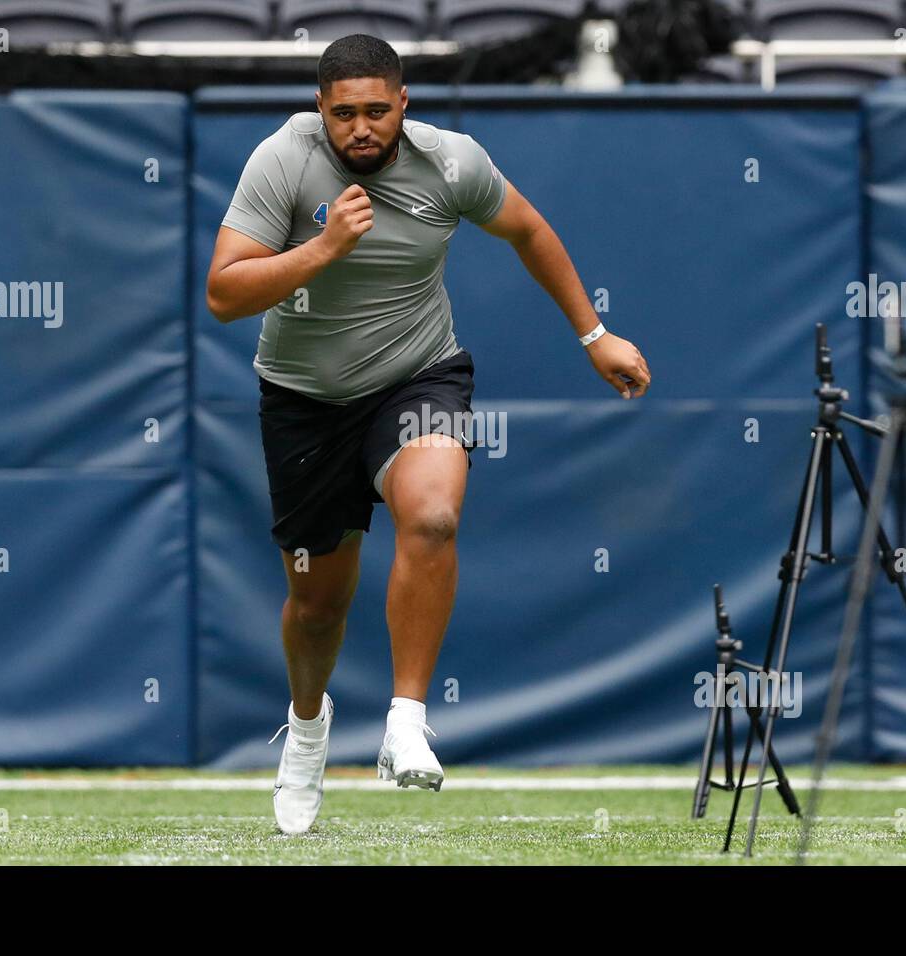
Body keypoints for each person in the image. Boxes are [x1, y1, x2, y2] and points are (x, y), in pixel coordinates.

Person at [206, 33, 651, 834]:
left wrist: (595, 337)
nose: (362, 128)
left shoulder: (452, 162)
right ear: (321, 110)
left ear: (404, 105)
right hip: (304, 399)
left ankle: (406, 720)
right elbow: (225, 295)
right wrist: (325, 247)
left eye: (378, 110)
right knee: (316, 606)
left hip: (419, 375)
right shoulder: (282, 160)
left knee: (435, 514)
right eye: (345, 114)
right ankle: (307, 732)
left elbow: (530, 231)